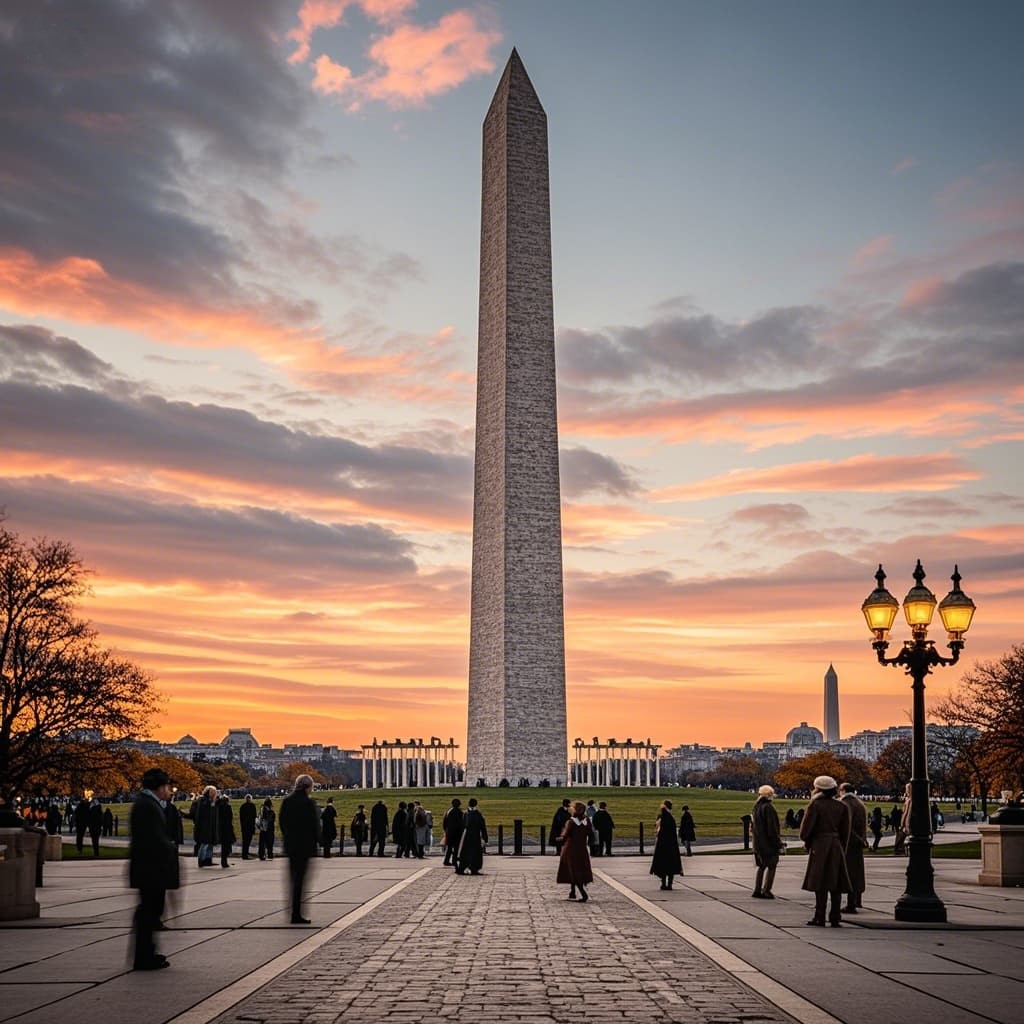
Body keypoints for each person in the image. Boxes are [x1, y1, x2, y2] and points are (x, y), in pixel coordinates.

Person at [129, 767, 178, 971]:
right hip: (151, 869)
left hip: (148, 868)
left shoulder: (147, 803)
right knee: (149, 913)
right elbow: (154, 839)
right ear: (159, 787)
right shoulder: (148, 806)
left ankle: (147, 953)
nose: (169, 791)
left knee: (149, 912)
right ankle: (144, 957)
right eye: (167, 786)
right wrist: (170, 848)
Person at [799, 775, 851, 927]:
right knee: (836, 883)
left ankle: (819, 916)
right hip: (836, 845)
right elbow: (845, 832)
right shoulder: (842, 806)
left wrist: (808, 842)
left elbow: (805, 831)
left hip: (820, 845)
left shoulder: (815, 805)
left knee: (820, 883)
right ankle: (835, 916)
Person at [279, 775, 320, 924]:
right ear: (309, 787)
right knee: (301, 881)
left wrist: (288, 837)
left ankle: (292, 910)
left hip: (291, 846)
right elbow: (314, 825)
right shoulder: (309, 803)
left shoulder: (287, 801)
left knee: (292, 879)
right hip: (305, 846)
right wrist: (318, 843)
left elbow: (282, 822)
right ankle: (297, 913)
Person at [839, 783, 868, 913]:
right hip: (858, 842)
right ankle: (857, 900)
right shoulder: (860, 804)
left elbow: (846, 825)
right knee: (857, 872)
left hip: (848, 842)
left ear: (843, 791)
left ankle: (851, 903)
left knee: (847, 873)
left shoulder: (845, 803)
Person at [557, 801, 594, 902]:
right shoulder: (587, 821)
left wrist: (557, 839)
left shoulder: (571, 822)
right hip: (582, 848)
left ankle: (583, 894)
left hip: (571, 848)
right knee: (579, 869)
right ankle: (572, 891)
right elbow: (591, 834)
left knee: (572, 870)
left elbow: (565, 836)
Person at [751, 785, 784, 899]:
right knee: (772, 866)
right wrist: (778, 843)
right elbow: (772, 829)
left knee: (761, 866)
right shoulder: (768, 808)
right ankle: (767, 890)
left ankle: (757, 889)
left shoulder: (756, 807)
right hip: (767, 844)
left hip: (758, 842)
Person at [650, 800, 683, 890]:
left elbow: (658, 830)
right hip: (671, 845)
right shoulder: (671, 818)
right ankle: (669, 884)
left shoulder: (662, 817)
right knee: (671, 865)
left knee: (662, 865)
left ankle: (663, 883)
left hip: (662, 845)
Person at [455, 797, 487, 875]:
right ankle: (474, 868)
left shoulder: (465, 813)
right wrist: (485, 837)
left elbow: (461, 826)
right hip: (475, 836)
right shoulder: (478, 814)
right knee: (475, 853)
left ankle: (463, 867)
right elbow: (482, 826)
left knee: (465, 853)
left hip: (466, 836)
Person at [192, 786, 219, 867]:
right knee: (204, 844)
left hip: (209, 826)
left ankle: (208, 860)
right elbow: (203, 813)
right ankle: (201, 860)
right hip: (205, 827)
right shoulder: (204, 800)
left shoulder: (209, 801)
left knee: (209, 844)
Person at [443, 798, 463, 866]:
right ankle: (454, 860)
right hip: (456, 833)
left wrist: (446, 830)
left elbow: (444, 823)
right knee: (456, 848)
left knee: (449, 848)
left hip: (449, 832)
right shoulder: (459, 811)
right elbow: (461, 823)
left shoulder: (448, 811)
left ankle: (446, 860)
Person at [216, 794, 235, 868]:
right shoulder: (227, 807)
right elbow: (230, 818)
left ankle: (224, 861)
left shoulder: (218, 807)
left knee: (224, 846)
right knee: (226, 846)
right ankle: (224, 861)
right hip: (227, 828)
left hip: (221, 828)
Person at [895, 782, 912, 856]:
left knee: (900, 838)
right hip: (908, 823)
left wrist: (902, 824)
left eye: (907, 789)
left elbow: (906, 813)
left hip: (906, 823)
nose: (906, 791)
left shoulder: (909, 800)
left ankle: (900, 851)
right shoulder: (910, 799)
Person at [239, 795, 257, 859]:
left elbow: (241, 817)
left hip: (244, 826)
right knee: (248, 841)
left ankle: (244, 854)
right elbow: (255, 816)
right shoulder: (252, 806)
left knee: (245, 841)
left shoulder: (242, 806)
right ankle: (245, 854)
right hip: (250, 826)